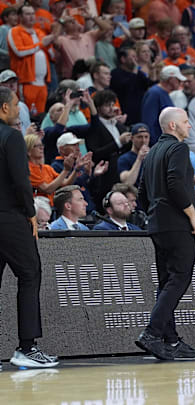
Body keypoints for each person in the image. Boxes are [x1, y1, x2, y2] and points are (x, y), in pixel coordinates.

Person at [136, 107, 195, 360]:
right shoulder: (178, 149)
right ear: (173, 126)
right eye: (186, 122)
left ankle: (171, 340)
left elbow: (141, 191)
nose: (190, 126)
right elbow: (175, 184)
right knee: (179, 279)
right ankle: (152, 333)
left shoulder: (152, 152)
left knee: (166, 282)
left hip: (157, 224)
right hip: (177, 224)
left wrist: (153, 212)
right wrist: (193, 218)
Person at [0, 86, 58, 368]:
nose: (18, 108)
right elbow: (22, 181)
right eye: (15, 104)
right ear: (4, 109)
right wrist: (30, 212)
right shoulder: (11, 137)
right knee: (30, 273)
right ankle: (27, 347)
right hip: (10, 217)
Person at [141, 66, 186, 145]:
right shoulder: (154, 93)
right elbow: (149, 122)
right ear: (171, 79)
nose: (180, 82)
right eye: (178, 80)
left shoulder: (163, 93)